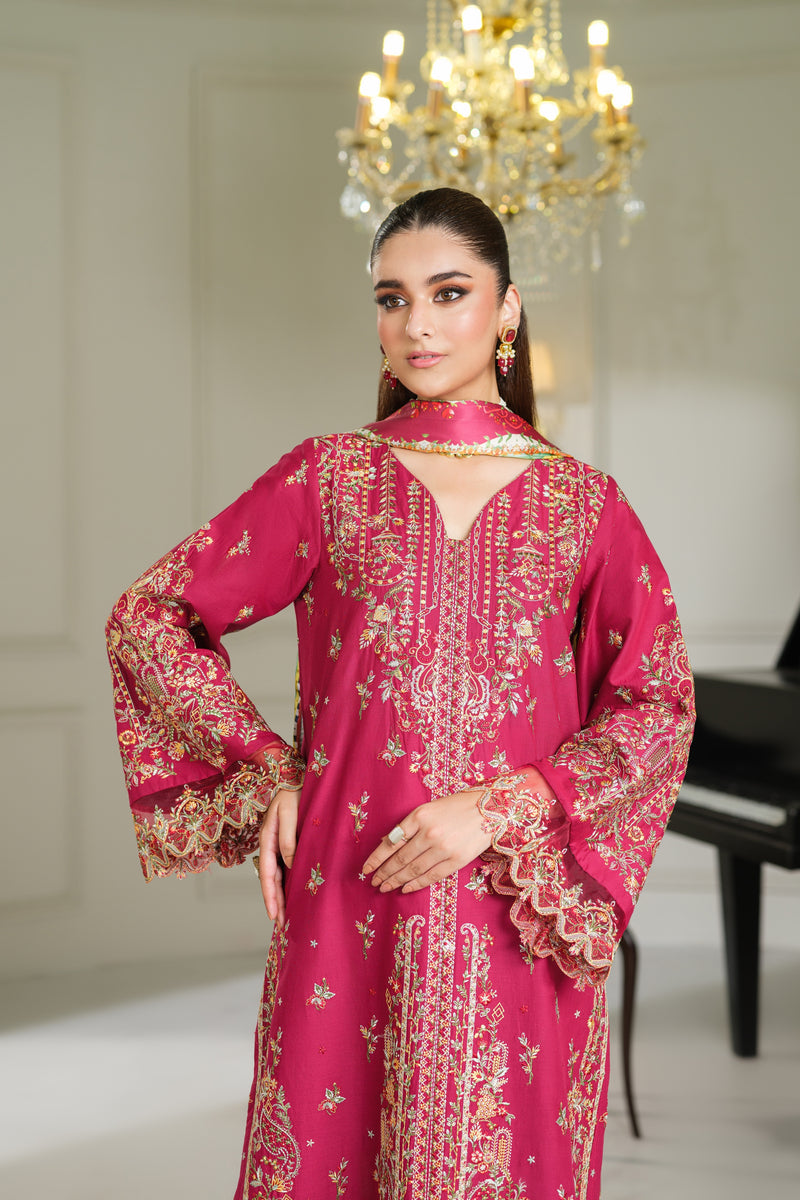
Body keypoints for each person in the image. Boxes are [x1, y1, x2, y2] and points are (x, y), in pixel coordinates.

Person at [106, 187, 695, 1200]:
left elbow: (655, 706)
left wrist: (502, 807)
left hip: (513, 901)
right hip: (350, 889)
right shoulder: (328, 479)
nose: (417, 323)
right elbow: (150, 616)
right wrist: (267, 769)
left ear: (507, 309)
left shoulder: (585, 507)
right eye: (392, 298)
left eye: (448, 292)